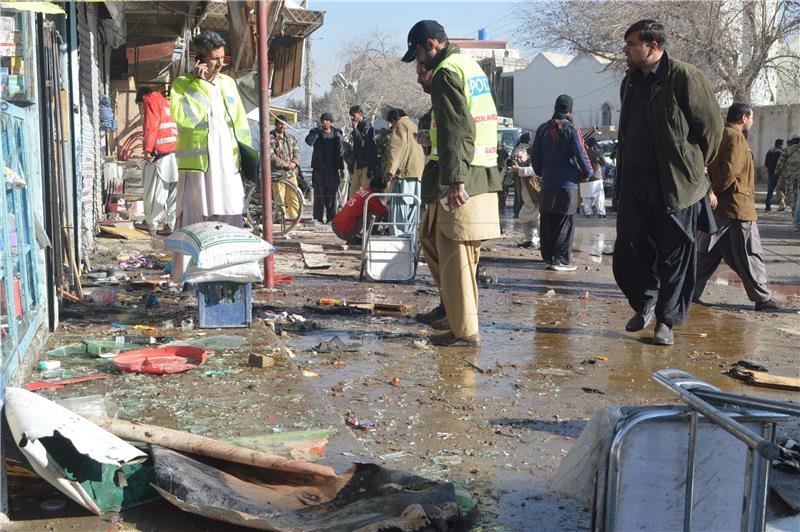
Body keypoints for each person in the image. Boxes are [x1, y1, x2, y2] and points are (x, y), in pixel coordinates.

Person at [612, 19, 723, 346]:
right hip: (635, 185)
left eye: (632, 43)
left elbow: (712, 130)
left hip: (675, 187)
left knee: (676, 256)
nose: (627, 49)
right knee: (628, 248)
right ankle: (645, 300)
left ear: (653, 46)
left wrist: (694, 166)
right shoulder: (630, 81)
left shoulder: (686, 77)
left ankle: (666, 322)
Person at [401, 20, 502, 347]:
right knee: (433, 238)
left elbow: (457, 129)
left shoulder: (446, 72)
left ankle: (465, 332)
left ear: (431, 44)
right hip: (480, 169)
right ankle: (454, 315)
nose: (418, 62)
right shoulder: (467, 65)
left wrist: (456, 180)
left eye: (417, 54)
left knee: (455, 252)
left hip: (463, 175)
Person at [170, 30, 253, 286]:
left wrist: (247, 159)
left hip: (228, 167)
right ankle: (188, 279)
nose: (220, 63)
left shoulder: (228, 84)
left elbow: (240, 123)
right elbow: (186, 119)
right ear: (200, 60)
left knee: (231, 217)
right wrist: (200, 84)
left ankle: (227, 275)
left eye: (221, 58)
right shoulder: (183, 84)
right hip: (199, 168)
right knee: (194, 224)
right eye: (214, 58)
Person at [694, 103, 780, 311]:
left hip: (721, 207)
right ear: (743, 118)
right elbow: (729, 172)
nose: (751, 122)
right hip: (736, 207)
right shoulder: (736, 137)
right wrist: (713, 191)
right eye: (751, 118)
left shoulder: (721, 134)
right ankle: (762, 298)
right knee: (750, 252)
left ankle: (688, 291)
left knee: (707, 254)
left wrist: (711, 192)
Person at [530, 94, 593, 271]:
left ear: (555, 108)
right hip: (567, 183)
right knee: (565, 220)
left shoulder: (542, 129)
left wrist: (542, 172)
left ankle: (548, 257)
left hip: (548, 182)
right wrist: (587, 173)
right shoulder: (572, 129)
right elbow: (581, 153)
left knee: (548, 219)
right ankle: (561, 260)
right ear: (571, 110)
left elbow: (535, 156)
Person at [136, 86, 178, 236]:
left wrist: (147, 150)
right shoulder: (167, 103)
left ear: (142, 99)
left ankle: (151, 223)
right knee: (173, 194)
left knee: (155, 192)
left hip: (160, 154)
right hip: (176, 152)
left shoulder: (150, 101)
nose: (141, 111)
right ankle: (172, 225)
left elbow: (151, 127)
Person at [384, 108, 425, 236]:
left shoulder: (400, 125)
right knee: (412, 213)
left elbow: (396, 149)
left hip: (404, 175)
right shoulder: (414, 125)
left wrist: (390, 171)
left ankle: (398, 243)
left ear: (393, 120)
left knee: (399, 212)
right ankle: (410, 244)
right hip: (417, 174)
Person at [305, 112, 345, 224]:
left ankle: (331, 219)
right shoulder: (315, 132)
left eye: (327, 120)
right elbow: (309, 142)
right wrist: (317, 133)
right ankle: (318, 218)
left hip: (332, 169)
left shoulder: (337, 133)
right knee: (319, 196)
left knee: (331, 198)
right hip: (319, 169)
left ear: (331, 122)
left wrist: (341, 169)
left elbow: (341, 152)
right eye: (323, 120)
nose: (324, 122)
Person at [331, 175, 389, 245]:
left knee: (369, 212)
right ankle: (360, 239)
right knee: (374, 214)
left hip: (336, 225)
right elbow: (385, 214)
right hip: (345, 231)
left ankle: (360, 236)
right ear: (379, 189)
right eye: (383, 190)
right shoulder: (371, 198)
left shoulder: (363, 191)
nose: (383, 192)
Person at [270, 114, 302, 221]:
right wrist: (285, 165)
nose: (282, 126)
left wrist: (294, 163)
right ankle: (281, 220)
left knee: (294, 197)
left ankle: (294, 219)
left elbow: (297, 152)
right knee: (279, 199)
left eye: (284, 124)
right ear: (275, 124)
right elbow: (271, 156)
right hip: (277, 174)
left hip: (291, 173)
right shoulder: (270, 138)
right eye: (280, 124)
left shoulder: (290, 138)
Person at [510, 144, 541, 249]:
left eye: (520, 157)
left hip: (537, 198)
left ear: (526, 156)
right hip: (526, 200)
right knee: (523, 218)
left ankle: (544, 242)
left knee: (539, 222)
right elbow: (507, 181)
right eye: (516, 157)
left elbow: (535, 171)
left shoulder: (533, 163)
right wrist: (507, 168)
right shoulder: (516, 167)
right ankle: (530, 240)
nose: (518, 160)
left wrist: (519, 170)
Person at [349, 105, 378, 197]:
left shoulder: (368, 126)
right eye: (351, 116)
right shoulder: (357, 127)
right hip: (358, 162)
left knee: (366, 191)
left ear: (360, 114)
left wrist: (355, 129)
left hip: (366, 163)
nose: (352, 118)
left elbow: (362, 143)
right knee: (353, 190)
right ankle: (353, 210)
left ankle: (367, 210)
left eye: (354, 115)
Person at [775, 134, 800, 231]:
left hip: (790, 177)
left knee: (790, 196)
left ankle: (796, 218)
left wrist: (776, 174)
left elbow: (780, 163)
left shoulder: (787, 150)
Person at [581, 137, 608, 218]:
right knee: (599, 197)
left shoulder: (582, 153)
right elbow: (604, 163)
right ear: (595, 144)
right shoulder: (597, 153)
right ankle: (601, 213)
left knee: (586, 198)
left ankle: (588, 213)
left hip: (584, 178)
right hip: (596, 177)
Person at [764, 138, 784, 212]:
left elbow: (766, 163)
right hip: (779, 174)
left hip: (771, 174)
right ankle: (782, 204)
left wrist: (770, 169)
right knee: (781, 190)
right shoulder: (781, 153)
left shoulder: (769, 151)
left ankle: (768, 206)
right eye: (782, 144)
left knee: (770, 191)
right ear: (779, 145)